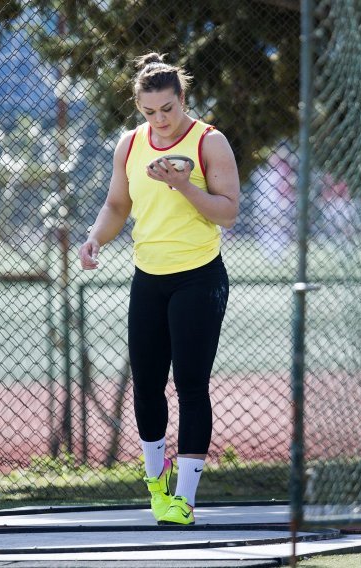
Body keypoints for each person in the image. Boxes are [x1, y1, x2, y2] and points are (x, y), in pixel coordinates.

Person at [79, 53, 240, 525]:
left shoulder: (210, 143)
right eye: (149, 112)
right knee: (146, 386)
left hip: (199, 276)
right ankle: (157, 486)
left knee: (190, 384)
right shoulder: (129, 145)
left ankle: (186, 497)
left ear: (183, 99)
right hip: (148, 279)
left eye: (167, 109)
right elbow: (115, 205)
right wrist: (94, 238)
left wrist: (183, 185)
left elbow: (228, 213)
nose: (159, 120)